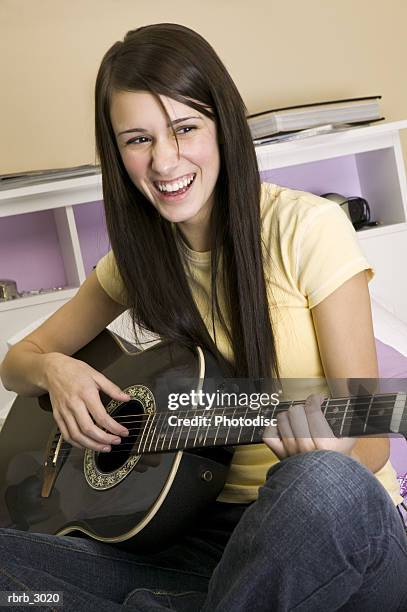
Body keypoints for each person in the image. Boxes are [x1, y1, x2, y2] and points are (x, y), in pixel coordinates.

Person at [0, 22, 406, 611]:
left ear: (223, 127)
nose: (165, 161)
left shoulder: (310, 230)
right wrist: (56, 371)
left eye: (185, 128)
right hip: (202, 547)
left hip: (339, 535)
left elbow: (369, 441)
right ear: (116, 153)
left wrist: (328, 450)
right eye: (137, 139)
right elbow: (17, 362)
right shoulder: (136, 262)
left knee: (321, 485)